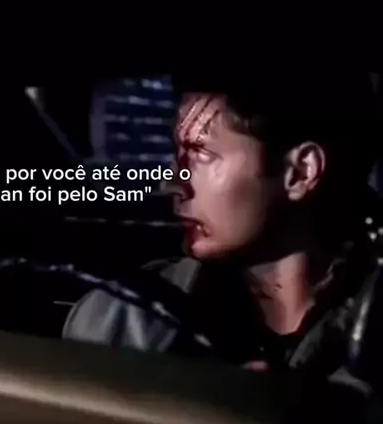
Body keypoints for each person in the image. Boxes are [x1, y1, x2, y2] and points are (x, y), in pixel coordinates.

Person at [63, 64, 383, 395]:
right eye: (178, 154)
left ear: (300, 172)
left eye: (201, 154)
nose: (173, 182)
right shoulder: (122, 324)